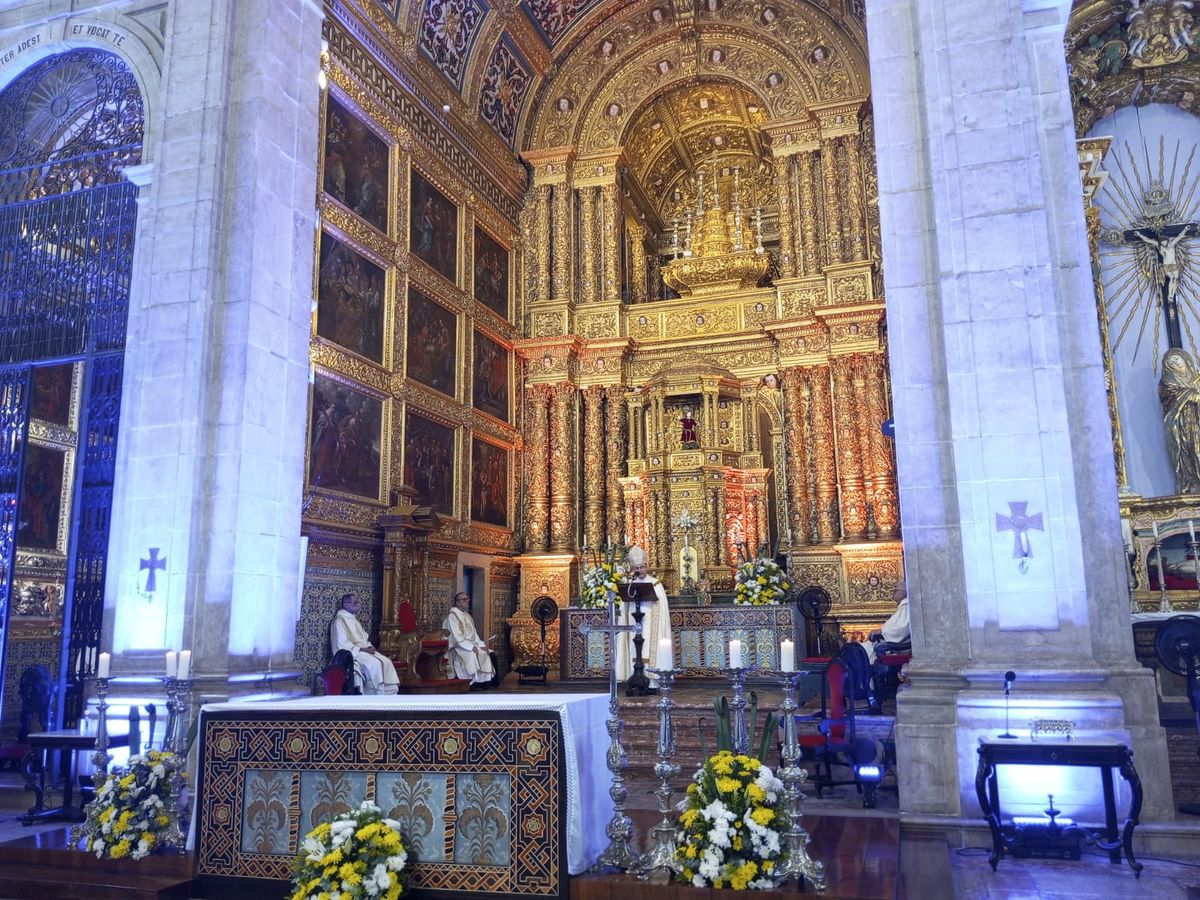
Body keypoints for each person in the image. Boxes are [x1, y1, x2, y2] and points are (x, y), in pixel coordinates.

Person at [615, 546, 673, 686]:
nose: (640, 570)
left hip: (651, 622)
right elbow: (625, 604)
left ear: (646, 566)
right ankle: (634, 677)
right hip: (634, 621)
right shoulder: (630, 584)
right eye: (637, 567)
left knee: (648, 647)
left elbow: (661, 604)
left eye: (642, 567)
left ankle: (652, 681)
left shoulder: (655, 583)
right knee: (634, 648)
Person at [329, 593, 399, 694]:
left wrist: (369, 646)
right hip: (353, 653)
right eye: (354, 602)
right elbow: (341, 644)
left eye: (358, 602)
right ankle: (376, 691)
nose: (357, 604)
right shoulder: (339, 621)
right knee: (375, 663)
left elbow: (363, 638)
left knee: (386, 661)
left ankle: (390, 690)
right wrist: (362, 649)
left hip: (363, 650)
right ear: (345, 604)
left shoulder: (354, 620)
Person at [1160, 348, 1200, 494]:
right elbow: (1169, 402)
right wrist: (1191, 395)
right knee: (1190, 451)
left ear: (1185, 359)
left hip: (1198, 420)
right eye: (1171, 363)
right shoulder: (1167, 383)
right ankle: (1192, 482)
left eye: (1177, 360)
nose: (1175, 363)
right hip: (1182, 424)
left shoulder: (1196, 377)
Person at [444, 591, 496, 687]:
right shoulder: (452, 616)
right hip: (458, 646)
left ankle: (481, 682)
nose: (467, 601)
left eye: (467, 599)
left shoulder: (468, 616)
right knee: (471, 654)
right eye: (464, 599)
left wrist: (481, 645)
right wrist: (470, 647)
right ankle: (470, 681)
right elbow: (457, 637)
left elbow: (474, 634)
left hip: (471, 644)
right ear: (457, 602)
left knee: (484, 652)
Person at [860, 578, 910, 665]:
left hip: (893, 647)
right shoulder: (903, 607)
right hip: (884, 642)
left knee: (858, 651)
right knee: (855, 649)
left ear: (903, 593)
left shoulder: (907, 607)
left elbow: (902, 630)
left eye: (896, 590)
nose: (893, 592)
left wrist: (881, 632)